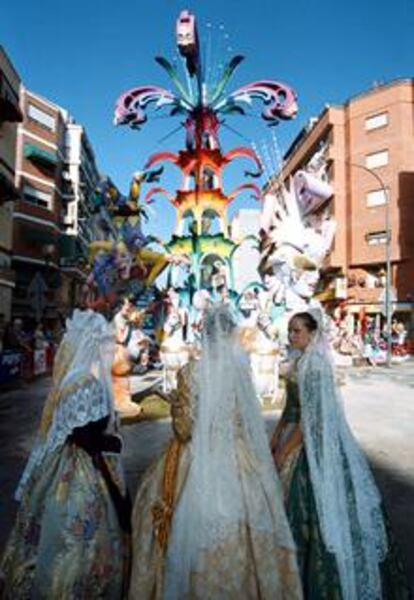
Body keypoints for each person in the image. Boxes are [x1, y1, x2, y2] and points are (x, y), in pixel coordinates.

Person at [129, 304, 302, 599]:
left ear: (203, 334)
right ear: (230, 333)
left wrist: (177, 406)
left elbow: (183, 429)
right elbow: (246, 418)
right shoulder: (240, 368)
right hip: (239, 458)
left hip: (194, 457)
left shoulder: (191, 372)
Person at [271, 310, 411, 600]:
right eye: (290, 330)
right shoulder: (300, 361)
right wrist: (277, 433)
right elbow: (293, 407)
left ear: (312, 333)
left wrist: (285, 450)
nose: (292, 336)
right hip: (300, 434)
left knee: (320, 507)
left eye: (297, 331)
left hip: (315, 443)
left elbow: (311, 420)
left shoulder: (315, 365)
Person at [1, 309, 130, 599]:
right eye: (106, 344)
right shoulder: (86, 383)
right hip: (81, 471)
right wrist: (114, 445)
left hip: (62, 465)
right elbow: (86, 439)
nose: (110, 351)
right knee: (80, 541)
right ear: (93, 345)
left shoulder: (73, 377)